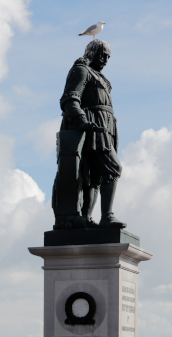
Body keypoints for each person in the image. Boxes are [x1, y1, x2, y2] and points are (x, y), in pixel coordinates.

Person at [58, 39, 124, 228]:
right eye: (102, 55)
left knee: (94, 176)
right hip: (93, 127)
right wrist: (82, 120)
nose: (105, 60)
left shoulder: (99, 76)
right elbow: (70, 99)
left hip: (105, 129)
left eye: (108, 57)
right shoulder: (81, 70)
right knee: (113, 168)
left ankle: (86, 218)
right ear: (93, 52)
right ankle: (107, 216)